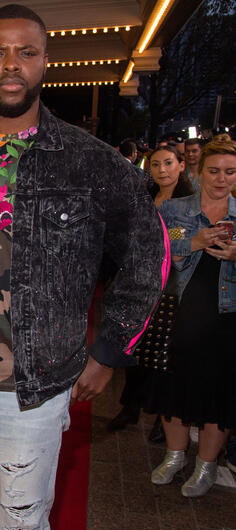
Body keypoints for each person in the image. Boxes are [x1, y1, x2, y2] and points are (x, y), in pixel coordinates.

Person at [0, 5, 169, 530]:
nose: (11, 65)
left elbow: (150, 254)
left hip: (31, 389)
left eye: (26, 53)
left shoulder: (91, 162)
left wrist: (109, 351)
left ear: (44, 62)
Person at [144, 138, 236, 497]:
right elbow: (163, 244)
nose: (221, 178)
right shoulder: (178, 210)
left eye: (230, 172)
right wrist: (194, 241)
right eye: (214, 170)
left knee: (218, 391)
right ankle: (175, 455)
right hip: (178, 310)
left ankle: (206, 465)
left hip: (226, 317)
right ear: (199, 171)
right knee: (174, 387)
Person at [108, 145, 194, 435]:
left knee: (164, 356)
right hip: (141, 285)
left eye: (168, 163)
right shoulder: (146, 198)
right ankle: (130, 407)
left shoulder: (190, 204)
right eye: (155, 165)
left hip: (173, 287)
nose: (162, 170)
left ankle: (162, 416)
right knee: (135, 349)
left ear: (181, 165)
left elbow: (175, 244)